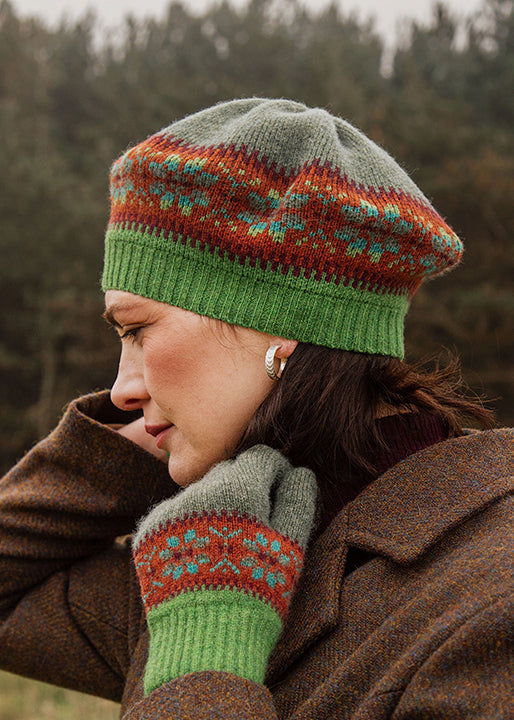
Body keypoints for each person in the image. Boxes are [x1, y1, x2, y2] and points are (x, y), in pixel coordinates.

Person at [0, 98, 512, 719]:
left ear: (282, 328)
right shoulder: (214, 555)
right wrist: (112, 462)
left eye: (137, 330)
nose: (119, 393)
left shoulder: (490, 603)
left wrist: (202, 667)